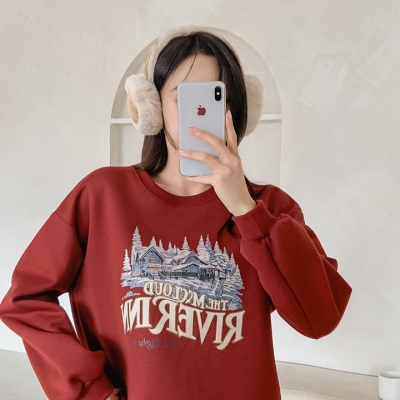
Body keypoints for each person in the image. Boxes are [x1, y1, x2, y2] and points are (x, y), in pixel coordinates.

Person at [0, 28, 352, 400]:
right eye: (184, 97)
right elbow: (25, 302)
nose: (199, 113)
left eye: (214, 97)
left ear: (235, 108)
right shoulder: (102, 197)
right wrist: (92, 392)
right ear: (152, 109)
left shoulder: (270, 210)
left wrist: (245, 210)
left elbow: (319, 318)